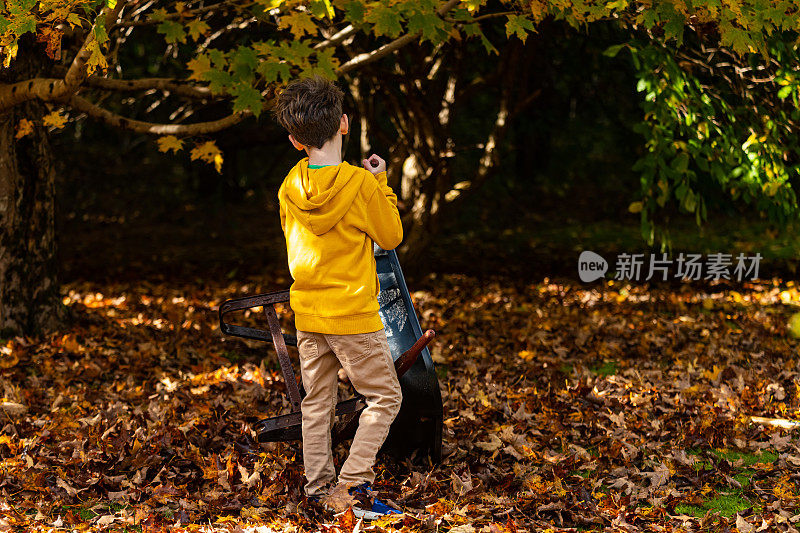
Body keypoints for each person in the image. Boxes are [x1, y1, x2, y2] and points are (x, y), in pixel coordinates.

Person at [273, 76, 404, 519]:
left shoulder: (290, 186)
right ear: (344, 123)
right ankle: (350, 488)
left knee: (316, 402)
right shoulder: (360, 184)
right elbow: (390, 235)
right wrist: (381, 182)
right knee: (385, 397)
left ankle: (318, 489)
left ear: (295, 140)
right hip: (352, 315)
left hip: (308, 313)